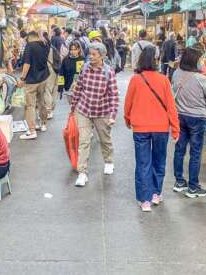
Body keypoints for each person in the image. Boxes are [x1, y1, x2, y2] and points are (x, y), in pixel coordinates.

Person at [124, 46, 180, 212]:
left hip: (140, 128)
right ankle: (156, 193)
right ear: (156, 60)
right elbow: (171, 106)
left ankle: (144, 200)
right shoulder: (163, 80)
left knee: (143, 163)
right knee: (159, 160)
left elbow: (128, 102)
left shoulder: (135, 79)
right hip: (161, 128)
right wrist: (176, 129)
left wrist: (128, 119)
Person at [71, 42, 119, 187]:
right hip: (84, 110)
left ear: (102, 56)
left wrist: (112, 115)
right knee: (84, 141)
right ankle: (82, 173)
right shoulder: (85, 68)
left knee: (105, 139)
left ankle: (109, 161)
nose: (90, 57)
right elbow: (78, 88)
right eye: (89, 54)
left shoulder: (108, 72)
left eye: (94, 54)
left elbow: (114, 96)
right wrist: (73, 107)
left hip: (102, 112)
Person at [171, 47, 206, 198]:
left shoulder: (177, 73)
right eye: (200, 60)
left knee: (179, 150)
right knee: (195, 153)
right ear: (195, 61)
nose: (202, 62)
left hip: (179, 115)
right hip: (196, 118)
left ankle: (179, 182)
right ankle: (193, 187)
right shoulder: (200, 78)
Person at [17, 31, 50, 140]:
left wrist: (22, 78)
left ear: (29, 37)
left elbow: (27, 63)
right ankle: (43, 124)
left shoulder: (30, 46)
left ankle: (32, 130)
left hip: (32, 80)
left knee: (30, 105)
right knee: (41, 102)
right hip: (43, 77)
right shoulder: (45, 44)